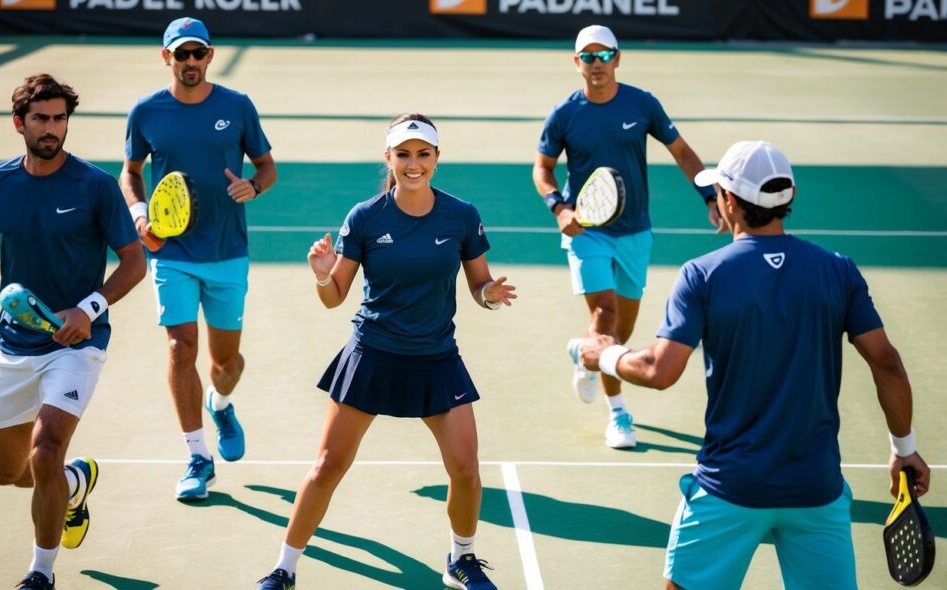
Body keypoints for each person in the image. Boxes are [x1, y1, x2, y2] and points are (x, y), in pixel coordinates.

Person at [577, 140, 931, 589]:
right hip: (815, 491)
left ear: (727, 200)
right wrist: (904, 448)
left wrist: (602, 354)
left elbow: (658, 371)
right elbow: (888, 364)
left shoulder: (702, 274)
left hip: (731, 489)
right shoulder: (838, 271)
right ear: (789, 199)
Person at [254, 114, 516, 590]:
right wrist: (321, 272)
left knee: (465, 468)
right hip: (372, 354)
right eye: (404, 154)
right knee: (328, 466)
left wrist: (489, 295)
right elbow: (335, 296)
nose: (413, 164)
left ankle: (461, 559)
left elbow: (479, 285)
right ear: (389, 158)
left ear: (436, 158)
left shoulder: (461, 215)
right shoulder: (366, 217)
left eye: (423, 154)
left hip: (436, 357)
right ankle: (284, 567)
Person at [0, 74, 145, 590]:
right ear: (19, 122)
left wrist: (89, 308)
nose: (52, 129)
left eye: (60, 118)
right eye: (42, 118)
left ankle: (40, 573)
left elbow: (134, 261)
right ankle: (72, 484)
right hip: (14, 344)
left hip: (76, 342)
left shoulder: (94, 185)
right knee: (7, 472)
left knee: (45, 449)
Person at [533, 24, 720, 449]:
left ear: (618, 59)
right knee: (605, 316)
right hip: (587, 231)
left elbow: (682, 152)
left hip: (635, 231)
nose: (596, 64)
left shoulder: (643, 103)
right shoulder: (565, 114)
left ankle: (588, 353)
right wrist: (559, 208)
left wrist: (709, 195)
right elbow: (541, 169)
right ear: (576, 62)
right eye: (588, 56)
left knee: (623, 330)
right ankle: (619, 415)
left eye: (604, 56)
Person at [121, 17, 277, 501]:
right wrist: (139, 211)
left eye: (198, 53)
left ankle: (222, 403)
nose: (190, 62)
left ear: (209, 56)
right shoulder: (146, 112)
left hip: (228, 251)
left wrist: (253, 185)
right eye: (181, 53)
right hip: (173, 252)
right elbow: (130, 172)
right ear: (165, 57)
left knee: (225, 361)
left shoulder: (237, 106)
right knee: (179, 348)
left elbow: (267, 167)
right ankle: (197, 457)